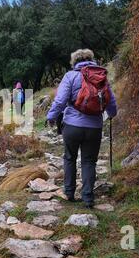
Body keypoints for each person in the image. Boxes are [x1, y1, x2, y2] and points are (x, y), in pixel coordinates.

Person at [46, 49, 117, 209]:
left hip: (72, 126)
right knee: (89, 161)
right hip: (94, 127)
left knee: (70, 158)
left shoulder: (70, 76)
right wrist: (111, 114)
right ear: (91, 60)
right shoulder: (101, 77)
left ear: (74, 62)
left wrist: (51, 117)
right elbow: (111, 102)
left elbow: (60, 101)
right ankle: (88, 198)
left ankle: (69, 193)